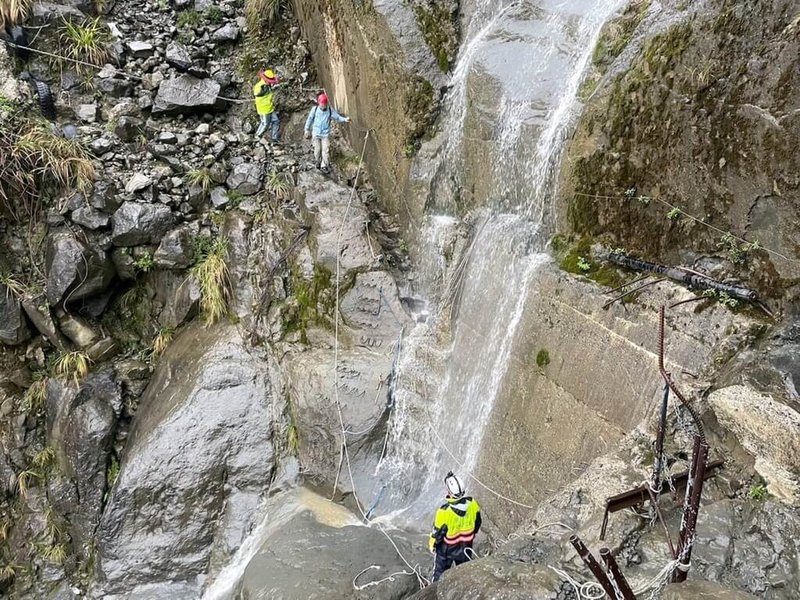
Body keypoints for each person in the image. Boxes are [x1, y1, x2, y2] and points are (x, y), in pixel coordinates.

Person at [428, 471, 481, 582]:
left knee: (439, 573)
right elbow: (477, 523)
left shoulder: (444, 511)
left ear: (449, 492)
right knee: (464, 574)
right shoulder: (473, 504)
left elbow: (437, 534)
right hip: (466, 545)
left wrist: (432, 545)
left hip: (447, 549)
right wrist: (472, 534)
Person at [304, 93, 350, 174]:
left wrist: (345, 119)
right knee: (317, 150)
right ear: (319, 103)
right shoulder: (314, 110)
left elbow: (337, 117)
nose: (323, 106)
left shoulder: (329, 110)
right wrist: (307, 130)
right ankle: (318, 161)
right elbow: (309, 119)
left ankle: (324, 165)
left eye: (325, 104)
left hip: (325, 134)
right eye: (322, 104)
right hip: (316, 133)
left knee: (325, 150)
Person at [253, 69, 280, 141]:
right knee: (265, 124)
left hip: (270, 107)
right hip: (263, 109)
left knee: (276, 121)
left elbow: (272, 88)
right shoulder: (260, 86)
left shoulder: (268, 85)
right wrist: (264, 90)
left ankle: (274, 138)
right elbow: (257, 93)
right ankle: (257, 136)